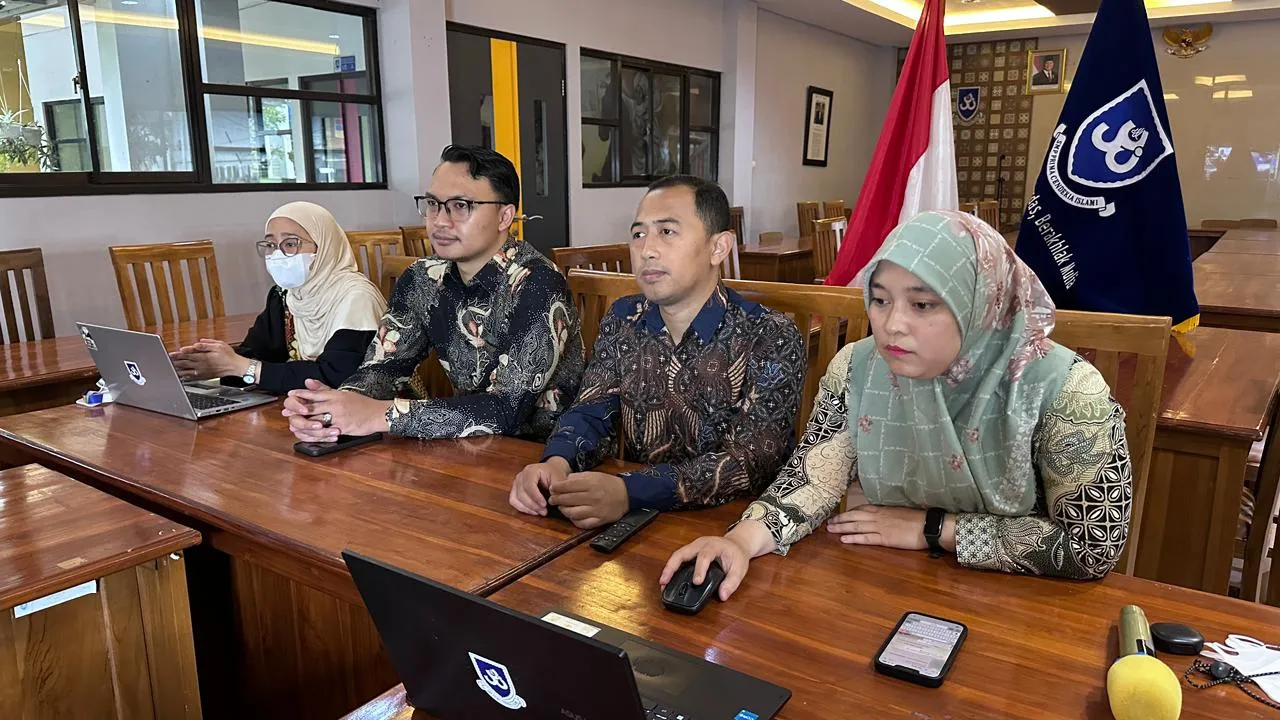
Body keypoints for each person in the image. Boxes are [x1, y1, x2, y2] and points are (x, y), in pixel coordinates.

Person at [662, 210, 1133, 599]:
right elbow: (814, 477)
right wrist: (739, 542)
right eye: (881, 300)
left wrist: (934, 530)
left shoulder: (1064, 390)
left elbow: (1092, 547)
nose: (892, 326)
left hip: (1024, 610)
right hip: (886, 587)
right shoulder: (859, 367)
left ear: (980, 303)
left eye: (923, 305)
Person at [509, 175, 807, 529]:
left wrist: (631, 491)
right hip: (635, 524)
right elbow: (591, 409)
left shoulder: (770, 334)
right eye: (638, 234)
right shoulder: (625, 317)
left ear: (719, 247)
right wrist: (556, 463)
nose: (646, 249)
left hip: (740, 531)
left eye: (667, 232)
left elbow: (750, 462)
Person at [282, 145, 585, 442]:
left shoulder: (537, 283)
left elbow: (506, 408)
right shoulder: (423, 278)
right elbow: (385, 366)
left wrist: (381, 415)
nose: (439, 220)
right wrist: (336, 407)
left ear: (504, 217)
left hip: (547, 457)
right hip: (467, 448)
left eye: (460, 206)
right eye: (433, 204)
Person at [171, 201, 385, 393]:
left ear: (325, 246)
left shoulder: (356, 298)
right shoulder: (284, 296)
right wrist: (215, 366)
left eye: (291, 244)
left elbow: (337, 378)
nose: (278, 254)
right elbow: (257, 354)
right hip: (303, 410)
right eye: (271, 245)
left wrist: (240, 367)